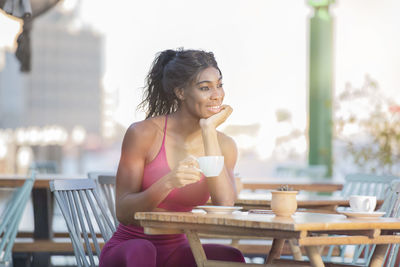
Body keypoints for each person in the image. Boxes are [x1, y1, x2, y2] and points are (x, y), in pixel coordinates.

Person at [99, 48, 245, 267]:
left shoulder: (224, 145)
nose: (217, 95)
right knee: (143, 250)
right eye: (205, 88)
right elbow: (123, 211)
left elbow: (224, 204)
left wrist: (208, 131)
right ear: (180, 92)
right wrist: (168, 182)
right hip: (131, 248)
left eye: (219, 85)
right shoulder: (144, 134)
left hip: (178, 250)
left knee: (230, 258)